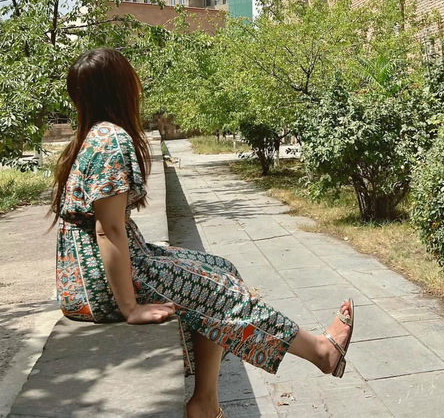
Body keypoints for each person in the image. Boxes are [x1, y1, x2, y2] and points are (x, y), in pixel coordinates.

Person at [51, 47, 354, 418]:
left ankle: (205, 402)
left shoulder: (90, 136)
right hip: (100, 285)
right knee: (220, 291)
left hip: (86, 278)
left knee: (220, 268)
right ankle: (321, 351)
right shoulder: (111, 139)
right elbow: (107, 228)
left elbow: (107, 226)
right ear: (121, 88)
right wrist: (130, 307)